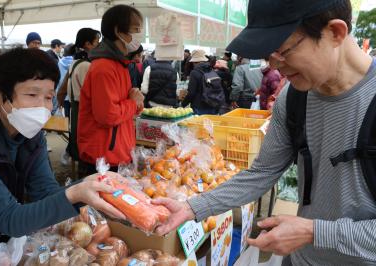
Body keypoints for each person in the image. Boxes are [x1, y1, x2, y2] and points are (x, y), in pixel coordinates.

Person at [153, 1, 376, 265]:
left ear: (335, 33)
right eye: (268, 54)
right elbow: (262, 172)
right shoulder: (293, 99)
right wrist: (193, 207)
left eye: (283, 51)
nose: (274, 65)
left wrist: (314, 232)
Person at [0, 48, 125, 251]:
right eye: (31, 94)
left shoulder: (31, 134)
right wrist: (75, 194)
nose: (42, 107)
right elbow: (8, 218)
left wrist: (86, 185)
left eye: (48, 98)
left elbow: (45, 192)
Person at [77, 5, 144, 177]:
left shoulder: (121, 64)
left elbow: (128, 108)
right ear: (118, 31)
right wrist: (132, 102)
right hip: (103, 158)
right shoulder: (104, 68)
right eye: (135, 30)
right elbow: (107, 115)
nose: (139, 35)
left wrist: (136, 103)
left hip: (118, 153)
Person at [56, 28, 101, 170]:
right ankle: (85, 171)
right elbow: (93, 94)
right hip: (85, 109)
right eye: (96, 42)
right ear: (87, 44)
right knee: (85, 143)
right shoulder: (87, 65)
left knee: (78, 139)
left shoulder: (76, 62)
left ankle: (79, 165)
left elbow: (63, 87)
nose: (99, 45)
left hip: (76, 107)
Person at [181, 49, 225, 115]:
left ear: (195, 61)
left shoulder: (195, 72)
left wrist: (183, 104)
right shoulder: (211, 70)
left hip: (199, 107)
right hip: (212, 105)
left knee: (198, 125)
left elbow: (191, 93)